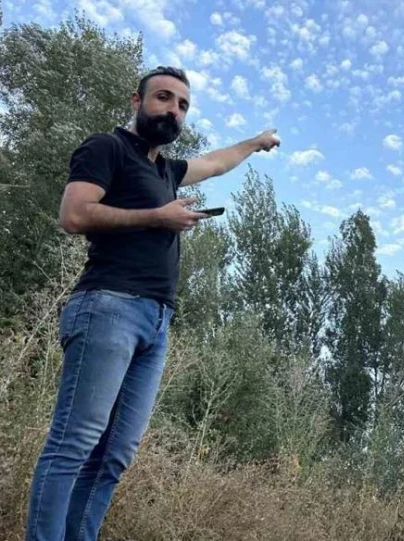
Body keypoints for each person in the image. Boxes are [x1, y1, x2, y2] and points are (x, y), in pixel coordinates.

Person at [25, 66, 280, 541]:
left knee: (114, 454)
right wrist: (156, 217)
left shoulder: (165, 170)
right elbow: (74, 213)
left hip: (155, 323)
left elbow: (217, 163)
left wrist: (255, 142)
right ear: (136, 100)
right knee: (73, 446)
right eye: (164, 98)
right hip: (107, 307)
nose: (173, 110)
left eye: (182, 105)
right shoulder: (107, 148)